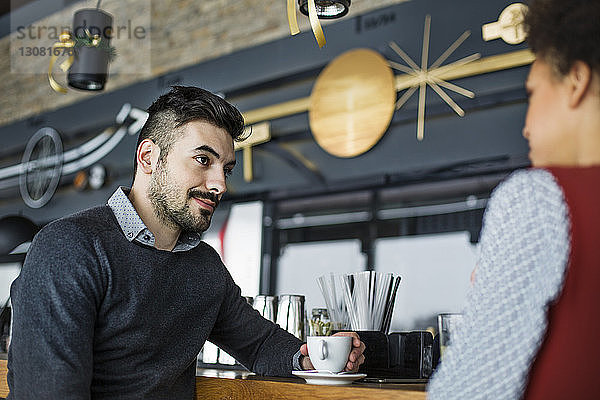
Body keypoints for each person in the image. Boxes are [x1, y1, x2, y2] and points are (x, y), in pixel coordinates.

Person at [7, 86, 365, 399]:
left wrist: (313, 356)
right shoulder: (70, 247)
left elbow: (259, 344)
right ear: (149, 157)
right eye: (202, 160)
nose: (219, 185)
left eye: (225, 169)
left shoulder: (204, 265)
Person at [427, 0, 600, 399]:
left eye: (533, 94)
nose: (525, 126)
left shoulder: (537, 199)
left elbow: (468, 391)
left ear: (575, 81)